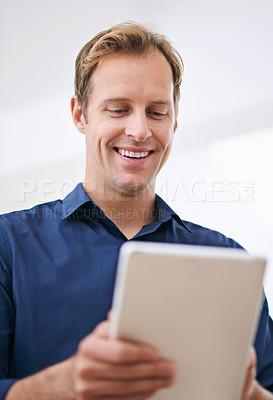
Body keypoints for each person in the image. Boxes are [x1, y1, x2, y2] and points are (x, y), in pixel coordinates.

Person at [0, 22, 273, 400]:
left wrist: (249, 395)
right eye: (118, 109)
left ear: (174, 121)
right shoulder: (8, 247)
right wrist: (63, 384)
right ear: (80, 115)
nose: (140, 130)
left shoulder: (227, 258)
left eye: (157, 112)